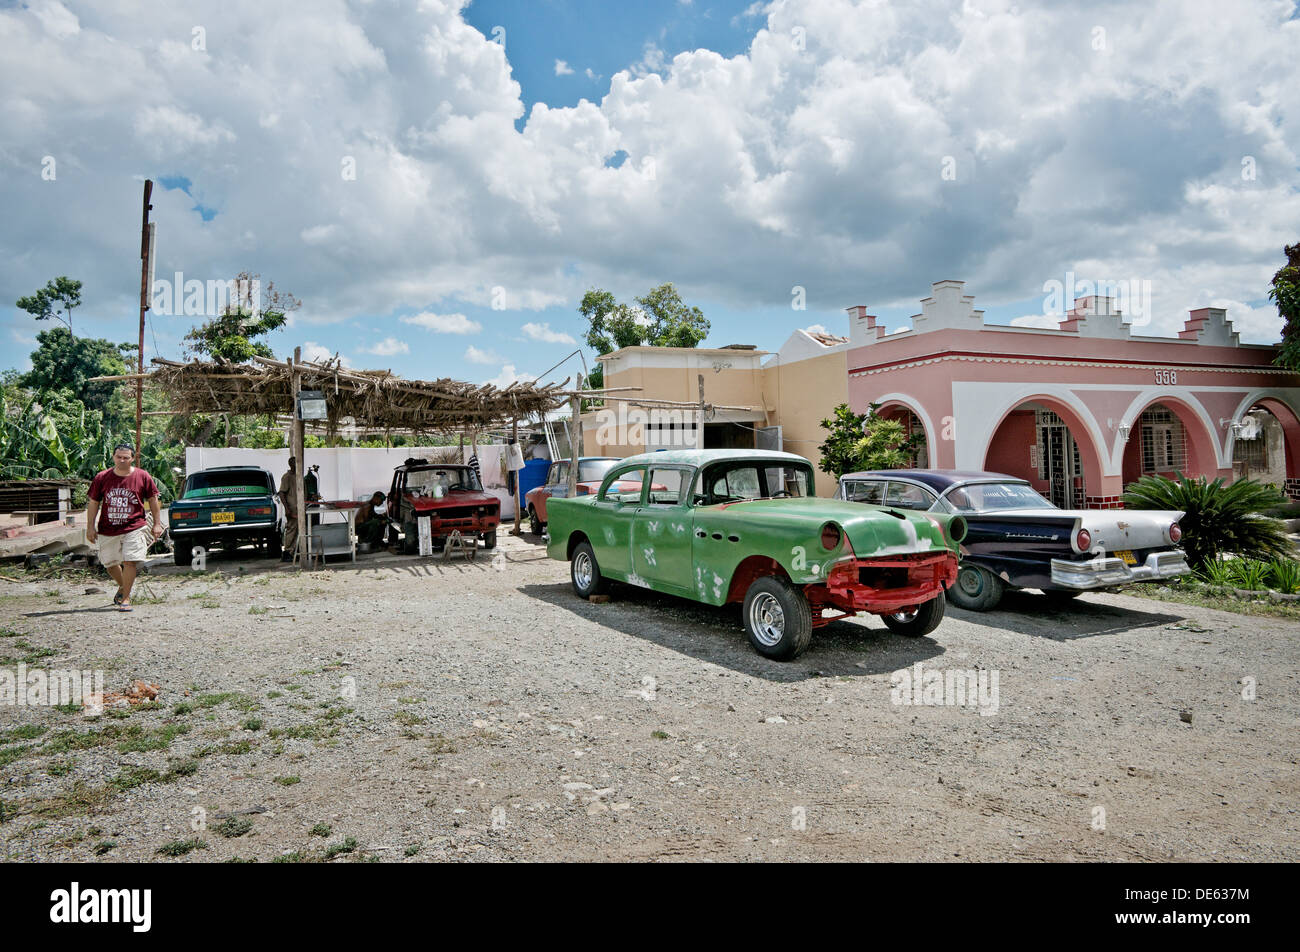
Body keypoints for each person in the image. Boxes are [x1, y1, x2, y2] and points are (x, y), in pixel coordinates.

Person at [85, 443, 163, 612]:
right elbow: (93, 503)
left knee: (130, 561)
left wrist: (156, 524)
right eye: (118, 457)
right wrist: (90, 527)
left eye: (126, 458)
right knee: (110, 563)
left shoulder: (142, 476)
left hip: (134, 526)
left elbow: (153, 500)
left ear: (132, 458)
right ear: (113, 457)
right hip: (108, 528)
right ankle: (123, 586)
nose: (122, 460)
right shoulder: (102, 477)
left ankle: (126, 598)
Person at [279, 456, 302, 562]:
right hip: (292, 509)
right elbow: (281, 493)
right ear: (291, 464)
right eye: (295, 463)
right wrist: (287, 509)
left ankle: (294, 551)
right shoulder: (287, 477)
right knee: (291, 529)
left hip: (300, 508)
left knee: (298, 530)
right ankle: (287, 552)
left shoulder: (299, 476)